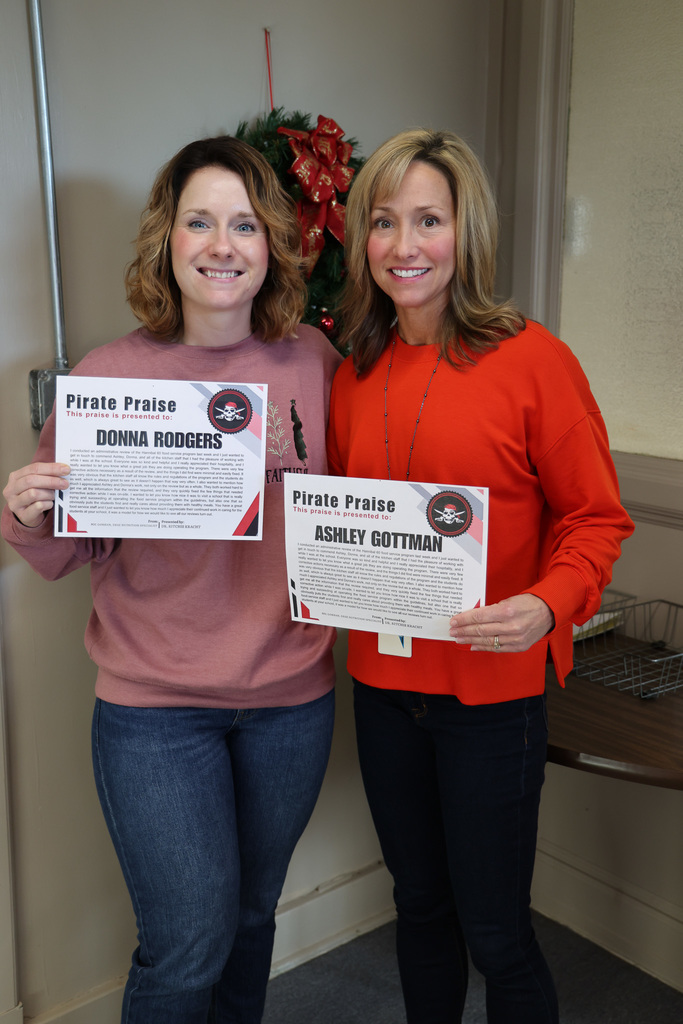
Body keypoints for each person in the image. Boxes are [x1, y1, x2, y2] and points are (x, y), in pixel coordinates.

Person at [2, 135, 342, 1024]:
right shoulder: (111, 376)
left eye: (244, 224)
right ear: (167, 240)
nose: (221, 245)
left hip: (290, 702)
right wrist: (27, 509)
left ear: (271, 245)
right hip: (155, 711)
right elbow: (69, 547)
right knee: (187, 944)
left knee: (250, 919)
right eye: (200, 221)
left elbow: (356, 506)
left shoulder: (313, 362)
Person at [326, 128, 634, 1024]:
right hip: (382, 688)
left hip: (492, 700)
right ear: (362, 239)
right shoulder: (353, 370)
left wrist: (548, 604)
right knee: (418, 908)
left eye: (429, 219)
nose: (405, 246)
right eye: (384, 222)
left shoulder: (535, 360)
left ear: (468, 231)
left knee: (496, 934)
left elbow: (595, 517)